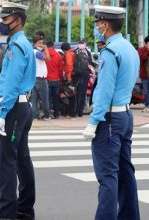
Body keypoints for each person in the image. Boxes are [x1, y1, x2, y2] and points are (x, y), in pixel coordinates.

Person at [82, 5, 140, 220]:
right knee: (125, 173)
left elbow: (105, 90)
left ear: (105, 24)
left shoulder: (110, 51)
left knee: (107, 176)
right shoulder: (128, 47)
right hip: (125, 115)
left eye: (98, 24)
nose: (97, 28)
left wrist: (93, 121)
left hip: (109, 118)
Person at [0, 2, 36, 220]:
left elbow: (12, 84)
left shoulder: (16, 46)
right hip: (24, 106)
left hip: (14, 107)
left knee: (6, 160)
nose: (2, 23)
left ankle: (7, 212)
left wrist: (3, 114)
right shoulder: (24, 43)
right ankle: (24, 209)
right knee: (22, 158)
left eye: (6, 20)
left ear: (18, 21)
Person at [31, 33, 51, 120]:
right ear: (35, 43)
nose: (42, 45)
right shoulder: (37, 52)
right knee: (45, 98)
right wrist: (46, 48)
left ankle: (34, 115)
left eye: (42, 43)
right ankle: (47, 115)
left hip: (34, 78)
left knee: (34, 99)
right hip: (41, 79)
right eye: (40, 43)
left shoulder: (32, 51)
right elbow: (48, 59)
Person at [74, 39, 94, 117]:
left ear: (85, 44)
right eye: (80, 43)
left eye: (82, 43)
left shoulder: (81, 52)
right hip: (81, 75)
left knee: (80, 94)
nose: (81, 45)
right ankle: (79, 112)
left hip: (81, 75)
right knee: (80, 94)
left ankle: (78, 111)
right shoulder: (79, 52)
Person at [46, 41, 63, 119]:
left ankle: (48, 114)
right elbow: (60, 69)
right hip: (56, 79)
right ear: (53, 46)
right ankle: (56, 114)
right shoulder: (59, 56)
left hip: (46, 79)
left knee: (48, 98)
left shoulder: (44, 55)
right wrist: (60, 78)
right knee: (56, 98)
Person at [61, 42, 77, 118]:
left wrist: (69, 77)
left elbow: (69, 66)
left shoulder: (69, 54)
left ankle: (71, 113)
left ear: (64, 50)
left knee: (71, 94)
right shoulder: (73, 52)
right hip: (74, 76)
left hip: (71, 76)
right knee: (72, 94)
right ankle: (72, 112)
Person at [138, 35, 149, 112]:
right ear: (146, 43)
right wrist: (148, 50)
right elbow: (142, 58)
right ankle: (147, 106)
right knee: (146, 91)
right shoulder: (141, 50)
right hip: (145, 75)